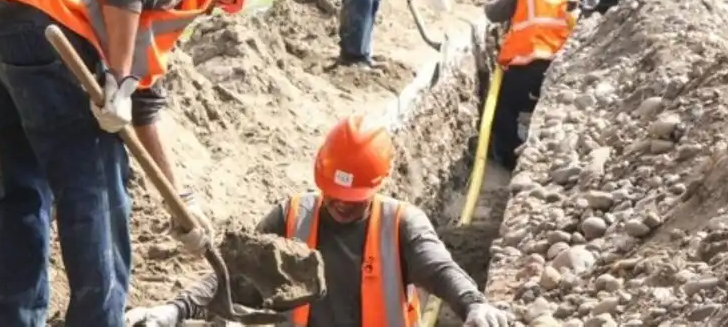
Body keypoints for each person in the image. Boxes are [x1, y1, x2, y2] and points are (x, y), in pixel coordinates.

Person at [0, 0, 269, 326]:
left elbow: (143, 101)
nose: (217, 7)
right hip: (47, 21)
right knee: (99, 191)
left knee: (23, 185)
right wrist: (118, 78)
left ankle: (10, 319)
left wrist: (178, 199)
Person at [124, 116, 512, 327]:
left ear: (378, 186)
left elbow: (440, 270)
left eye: (353, 201)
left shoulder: (402, 223)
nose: (341, 206)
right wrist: (174, 310)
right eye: (334, 196)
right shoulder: (290, 216)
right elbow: (230, 274)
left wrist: (474, 305)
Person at [482, 0, 578, 170]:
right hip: (557, 69)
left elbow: (494, 14)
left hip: (524, 64)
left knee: (505, 110)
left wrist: (489, 1)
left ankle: (508, 158)